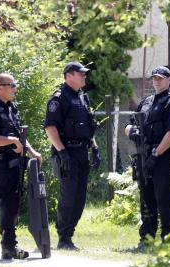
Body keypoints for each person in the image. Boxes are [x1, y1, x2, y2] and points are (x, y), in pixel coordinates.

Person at [0, 73, 42, 261]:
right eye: (11, 85)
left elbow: (20, 137)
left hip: (14, 165)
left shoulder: (12, 108)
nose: (14, 89)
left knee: (12, 207)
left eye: (14, 85)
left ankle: (9, 247)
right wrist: (12, 141)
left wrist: (32, 152)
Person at [125, 66, 170, 249]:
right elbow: (129, 125)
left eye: (160, 78)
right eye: (154, 78)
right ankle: (147, 239)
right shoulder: (146, 102)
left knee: (164, 198)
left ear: (169, 80)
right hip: (143, 156)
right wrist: (131, 132)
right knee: (146, 198)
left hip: (162, 158)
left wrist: (156, 153)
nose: (156, 81)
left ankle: (169, 239)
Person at [44, 62, 100, 251]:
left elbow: (88, 126)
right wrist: (62, 152)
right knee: (68, 196)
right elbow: (50, 128)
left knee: (80, 197)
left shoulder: (83, 98)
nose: (84, 76)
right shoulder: (59, 99)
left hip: (82, 152)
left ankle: (69, 234)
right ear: (69, 76)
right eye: (80, 73)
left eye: (85, 73)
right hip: (67, 153)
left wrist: (95, 147)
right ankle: (63, 237)